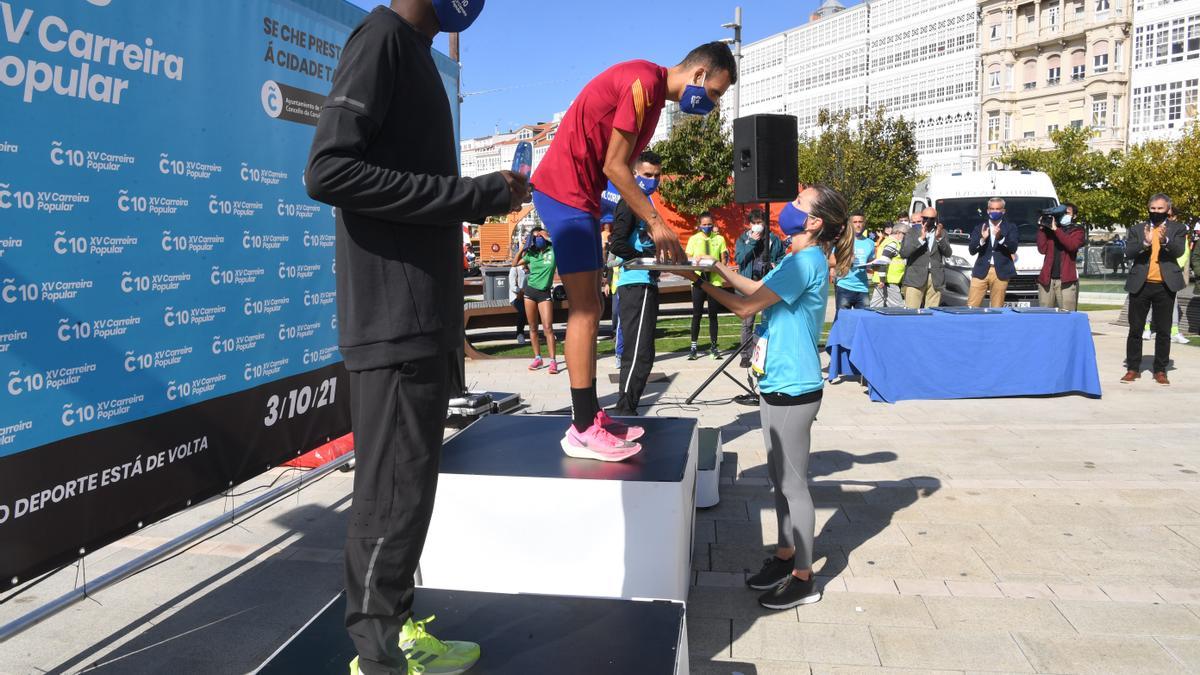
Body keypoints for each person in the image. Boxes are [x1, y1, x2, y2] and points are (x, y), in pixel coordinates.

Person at [304, 2, 530, 673]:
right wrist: (469, 195)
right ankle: (378, 655)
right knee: (390, 496)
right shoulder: (381, 40)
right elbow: (328, 170)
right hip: (392, 322)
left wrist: (478, 195)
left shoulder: (417, 54)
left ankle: (397, 629)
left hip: (422, 320)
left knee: (411, 493)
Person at [530, 42, 736, 460]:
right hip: (564, 193)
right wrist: (656, 222)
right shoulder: (643, 83)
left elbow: (612, 166)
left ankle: (590, 417)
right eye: (715, 93)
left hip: (580, 198)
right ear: (699, 75)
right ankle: (583, 427)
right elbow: (615, 167)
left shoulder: (654, 97)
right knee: (586, 310)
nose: (712, 104)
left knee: (591, 308)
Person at [687, 184, 852, 610]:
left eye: (800, 203)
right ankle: (784, 556)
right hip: (777, 382)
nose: (790, 207)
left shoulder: (805, 261)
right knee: (779, 481)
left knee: (794, 486)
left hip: (795, 388)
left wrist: (699, 284)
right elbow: (755, 286)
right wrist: (719, 271)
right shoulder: (796, 259)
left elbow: (746, 308)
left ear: (814, 222)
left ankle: (804, 577)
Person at [608, 151, 664, 415]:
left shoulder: (646, 203)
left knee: (645, 352)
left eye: (656, 175)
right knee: (639, 352)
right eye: (647, 175)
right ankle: (625, 409)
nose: (652, 180)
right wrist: (646, 257)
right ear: (634, 175)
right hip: (635, 283)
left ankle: (628, 406)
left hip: (647, 282)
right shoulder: (629, 203)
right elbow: (617, 243)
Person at [1121, 194, 1189, 386]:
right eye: (1153, 208)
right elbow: (1129, 252)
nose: (1156, 212)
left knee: (1164, 330)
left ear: (1168, 209)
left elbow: (1179, 251)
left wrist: (1165, 239)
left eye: (1160, 209)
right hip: (1140, 285)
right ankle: (1133, 368)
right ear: (1148, 208)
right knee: (1135, 329)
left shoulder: (1178, 228)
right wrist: (1146, 243)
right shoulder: (1137, 229)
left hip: (1165, 286)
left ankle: (1160, 370)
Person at [734, 208, 785, 367]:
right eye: (754, 223)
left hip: (768, 285)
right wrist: (752, 243)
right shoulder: (743, 239)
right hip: (749, 285)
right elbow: (740, 258)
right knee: (747, 322)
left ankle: (768, 353)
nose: (757, 226)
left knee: (770, 320)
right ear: (749, 224)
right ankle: (745, 355)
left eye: (760, 222)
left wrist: (775, 264)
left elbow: (782, 257)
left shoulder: (773, 239)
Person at [687, 212, 730, 360]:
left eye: (709, 224)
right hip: (699, 280)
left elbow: (724, 258)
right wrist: (695, 259)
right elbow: (688, 258)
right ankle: (693, 347)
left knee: (713, 315)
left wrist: (721, 268)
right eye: (704, 224)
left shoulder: (719, 239)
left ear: (713, 224)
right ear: (699, 225)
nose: (707, 227)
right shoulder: (694, 239)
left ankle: (714, 346)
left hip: (715, 281)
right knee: (697, 314)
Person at [517, 227, 559, 373]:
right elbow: (514, 263)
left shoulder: (553, 251)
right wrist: (523, 246)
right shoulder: (531, 253)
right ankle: (538, 358)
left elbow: (563, 247)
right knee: (533, 327)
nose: (539, 238)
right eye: (536, 237)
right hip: (530, 292)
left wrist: (548, 237)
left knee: (548, 327)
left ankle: (553, 361)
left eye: (540, 235)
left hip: (544, 293)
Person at [967, 197, 1020, 307]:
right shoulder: (980, 227)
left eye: (997, 209)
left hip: (1000, 272)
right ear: (988, 210)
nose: (994, 211)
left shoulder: (1010, 227)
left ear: (1003, 211)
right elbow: (972, 250)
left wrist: (1000, 238)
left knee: (997, 308)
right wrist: (982, 239)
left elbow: (1013, 248)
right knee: (972, 306)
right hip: (981, 271)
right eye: (992, 209)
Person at [1036, 202, 1085, 311]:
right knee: (1045, 314)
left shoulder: (1077, 230)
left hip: (1066, 280)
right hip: (1047, 280)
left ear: (1074, 216)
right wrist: (1042, 228)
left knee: (1067, 314)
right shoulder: (1050, 231)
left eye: (1067, 213)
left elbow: (1072, 246)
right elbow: (1042, 249)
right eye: (1062, 213)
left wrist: (1056, 230)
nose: (1063, 215)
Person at [900, 206, 951, 309]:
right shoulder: (912, 232)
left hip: (935, 278)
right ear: (922, 217)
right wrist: (921, 239)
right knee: (912, 311)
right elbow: (904, 253)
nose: (928, 221)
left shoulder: (942, 232)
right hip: (915, 277)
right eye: (926, 218)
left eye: (932, 219)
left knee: (932, 312)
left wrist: (939, 238)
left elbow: (948, 253)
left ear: (936, 219)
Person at [833, 212, 875, 319]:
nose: (858, 225)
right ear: (850, 224)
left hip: (862, 287)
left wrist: (876, 266)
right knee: (842, 320)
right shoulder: (842, 241)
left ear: (864, 223)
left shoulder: (870, 243)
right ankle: (838, 337)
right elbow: (831, 261)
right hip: (844, 285)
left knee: (864, 320)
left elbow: (870, 264)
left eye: (860, 222)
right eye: (855, 222)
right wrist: (846, 261)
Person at [870, 222, 908, 307]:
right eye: (905, 234)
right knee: (898, 309)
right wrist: (882, 280)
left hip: (882, 280)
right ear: (898, 233)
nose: (906, 237)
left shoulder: (887, 241)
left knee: (875, 307)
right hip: (888, 282)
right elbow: (883, 261)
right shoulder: (893, 244)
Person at [508, 245, 528, 344]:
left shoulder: (530, 268)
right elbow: (512, 286)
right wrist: (521, 291)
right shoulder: (514, 269)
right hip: (516, 297)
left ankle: (546, 332)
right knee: (523, 311)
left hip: (528, 295)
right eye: (524, 254)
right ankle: (520, 333)